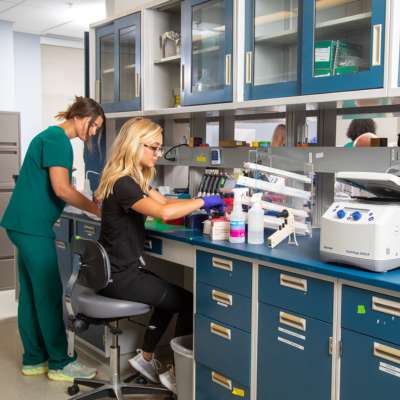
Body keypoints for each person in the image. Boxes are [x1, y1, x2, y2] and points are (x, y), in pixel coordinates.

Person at [95, 117, 224, 393]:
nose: (157, 153)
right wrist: (204, 201)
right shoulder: (124, 183)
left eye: (159, 147)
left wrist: (196, 202)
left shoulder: (130, 178)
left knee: (169, 295)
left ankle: (147, 357)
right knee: (188, 301)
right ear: (134, 145)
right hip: (121, 276)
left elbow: (165, 202)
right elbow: (164, 213)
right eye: (152, 147)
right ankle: (178, 374)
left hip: (116, 271)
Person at [0, 96, 105, 382]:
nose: (94, 133)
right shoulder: (59, 140)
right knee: (47, 295)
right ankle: (60, 362)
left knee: (32, 296)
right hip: (33, 226)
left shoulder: (49, 136)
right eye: (95, 126)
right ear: (84, 118)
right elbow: (62, 189)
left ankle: (34, 360)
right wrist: (94, 209)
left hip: (22, 224)